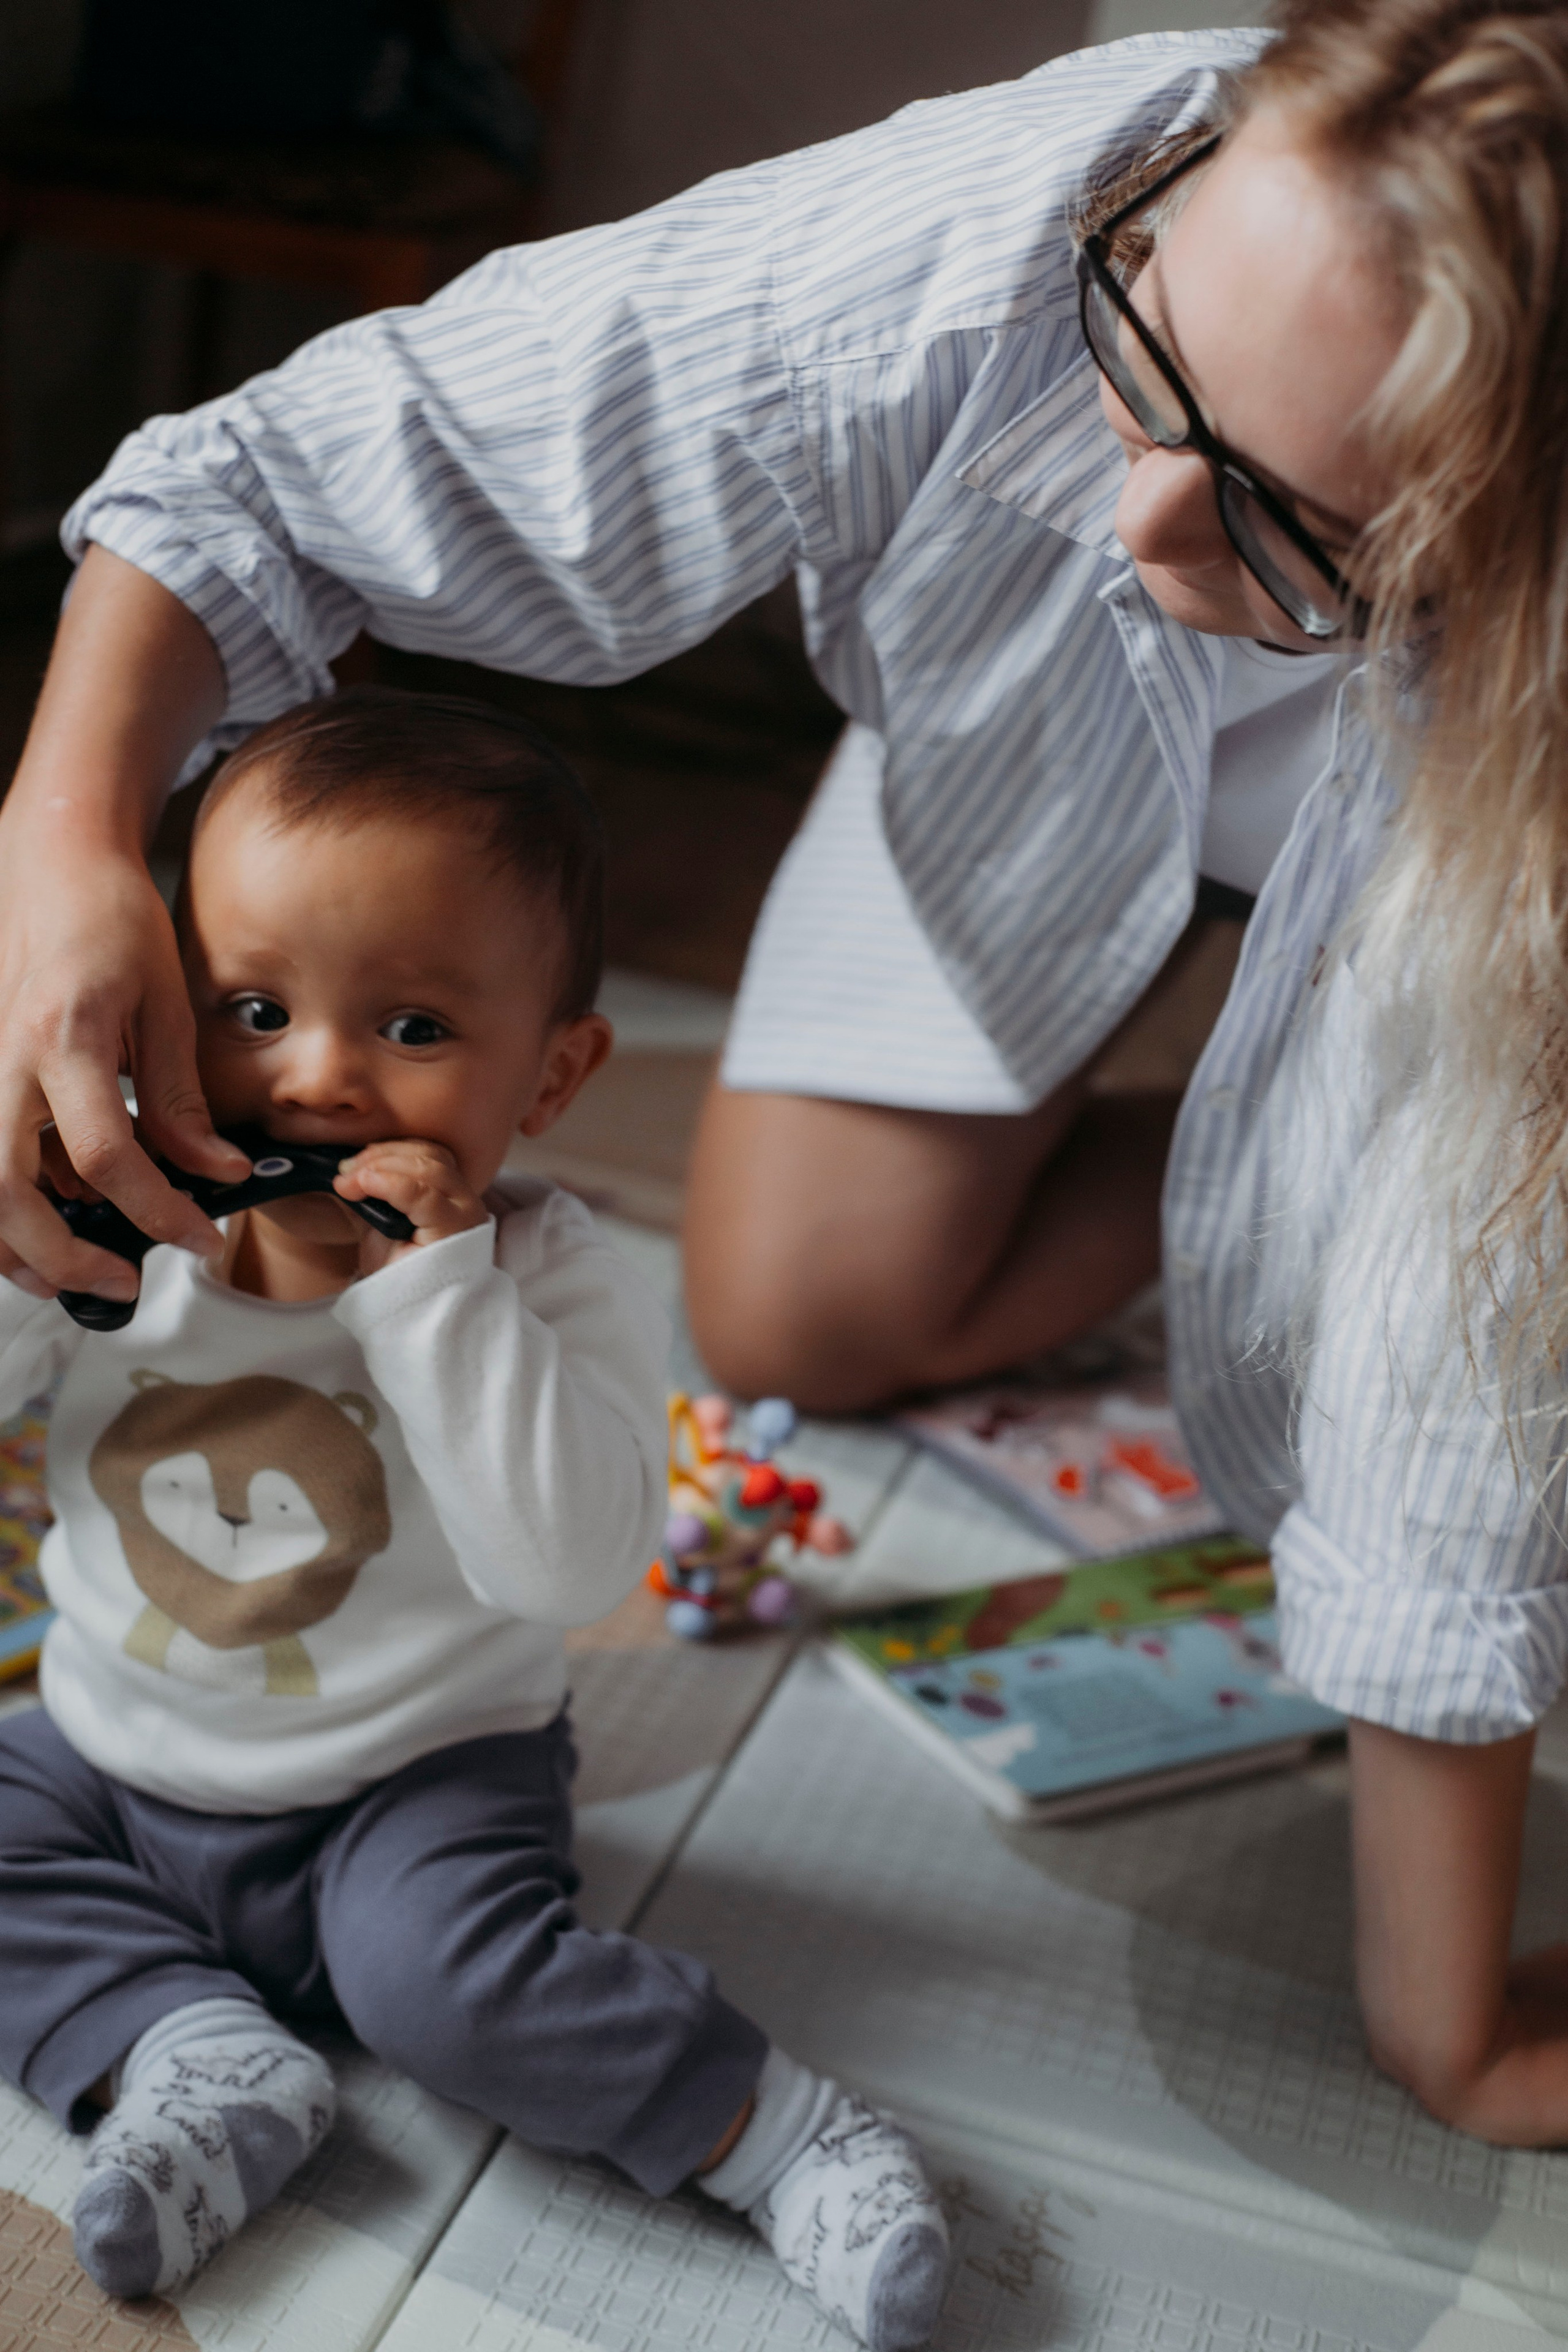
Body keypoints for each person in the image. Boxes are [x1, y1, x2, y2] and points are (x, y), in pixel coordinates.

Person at [3, 0, 1568, 2157]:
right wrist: (66, 845)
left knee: (1436, 1239)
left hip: (1491, 885)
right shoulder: (1036, 217)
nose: (1138, 531)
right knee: (797, 1310)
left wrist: (1447, 2023)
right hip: (1031, 782)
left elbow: (1446, 1385)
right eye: (1146, 361)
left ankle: (1291, 1129)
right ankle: (1246, 1122)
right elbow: (309, 466)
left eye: (1283, 526)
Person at [0, 686, 949, 2345]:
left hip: (417, 1788)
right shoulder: (126, 1229)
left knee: (449, 1992)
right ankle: (192, 2055)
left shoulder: (547, 1281)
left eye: (416, 1030)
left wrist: (438, 1297)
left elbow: (571, 1565)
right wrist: (21, 1250)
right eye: (251, 1006)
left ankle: (777, 2136)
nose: (318, 1080)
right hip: (105, 1750)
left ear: (560, 1070)